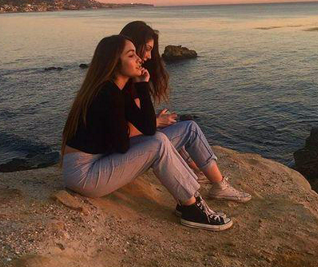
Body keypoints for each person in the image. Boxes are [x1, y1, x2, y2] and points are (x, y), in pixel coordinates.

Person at [61, 34, 233, 231]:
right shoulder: (107, 94)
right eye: (131, 55)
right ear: (114, 62)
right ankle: (192, 208)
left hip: (98, 160)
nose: (139, 59)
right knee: (158, 143)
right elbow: (122, 145)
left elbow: (149, 128)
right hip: (84, 174)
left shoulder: (118, 90)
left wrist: (142, 85)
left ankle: (190, 198)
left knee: (166, 135)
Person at [119, 21, 251, 203]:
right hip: (125, 153)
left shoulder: (121, 80)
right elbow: (125, 131)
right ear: (133, 46)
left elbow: (129, 121)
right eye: (147, 49)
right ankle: (219, 186)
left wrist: (154, 121)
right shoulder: (127, 85)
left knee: (173, 127)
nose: (149, 56)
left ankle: (197, 171)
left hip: (128, 149)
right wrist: (155, 122)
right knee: (190, 128)